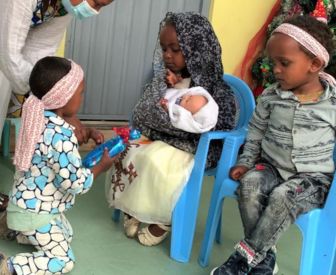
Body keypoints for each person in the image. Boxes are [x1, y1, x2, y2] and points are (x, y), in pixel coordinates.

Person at [211, 15, 336, 275]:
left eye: (284, 63)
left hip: (314, 179)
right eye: (272, 62)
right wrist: (246, 161)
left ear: (315, 64)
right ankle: (264, 258)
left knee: (282, 196)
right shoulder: (272, 96)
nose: (275, 70)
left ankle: (244, 259)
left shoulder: (335, 105)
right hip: (272, 168)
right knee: (250, 185)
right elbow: (255, 130)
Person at [106, 12, 237, 246]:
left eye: (175, 49)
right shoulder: (165, 80)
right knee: (130, 152)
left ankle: (163, 218)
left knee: (157, 161)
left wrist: (161, 123)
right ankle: (134, 209)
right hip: (164, 139)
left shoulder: (219, 91)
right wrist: (160, 87)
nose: (167, 55)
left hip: (194, 149)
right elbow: (141, 113)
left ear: (197, 48)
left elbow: (202, 131)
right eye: (164, 48)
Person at [0, 56, 116, 275]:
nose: (82, 96)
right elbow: (75, 183)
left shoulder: (38, 115)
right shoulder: (60, 137)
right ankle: (9, 265)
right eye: (80, 93)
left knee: (67, 234)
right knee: (63, 260)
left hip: (26, 202)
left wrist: (89, 132)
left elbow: (67, 131)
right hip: (36, 211)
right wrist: (102, 166)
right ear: (64, 98)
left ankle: (15, 227)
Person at [0, 0, 114, 216]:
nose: (94, 11)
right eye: (96, 2)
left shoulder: (65, 5)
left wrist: (59, 105)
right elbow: (8, 54)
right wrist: (54, 100)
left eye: (102, 6)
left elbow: (41, 54)